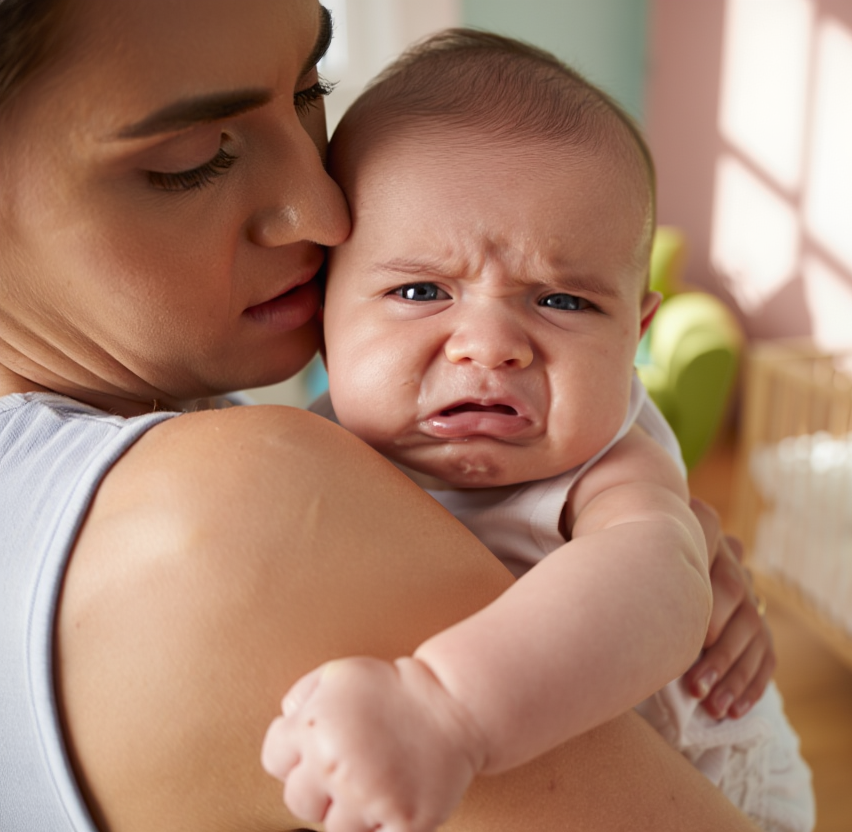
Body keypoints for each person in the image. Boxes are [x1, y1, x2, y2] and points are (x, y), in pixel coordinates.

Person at [0, 2, 775, 831]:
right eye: (194, 158)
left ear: (637, 332)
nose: (327, 211)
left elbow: (654, 581)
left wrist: (661, 562)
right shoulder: (242, 503)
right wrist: (444, 709)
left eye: (311, 91)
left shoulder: (201, 427)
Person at [261, 30, 815, 832]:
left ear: (634, 337)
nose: (489, 346)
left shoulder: (610, 466)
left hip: (708, 783)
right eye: (420, 291)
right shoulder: (305, 449)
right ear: (322, 312)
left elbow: (658, 584)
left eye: (561, 301)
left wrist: (445, 710)